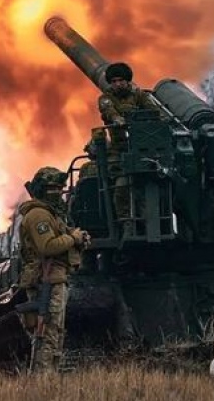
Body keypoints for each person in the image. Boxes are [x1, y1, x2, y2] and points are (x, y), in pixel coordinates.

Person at [15, 167, 89, 372]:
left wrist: (79, 239)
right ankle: (43, 379)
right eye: (52, 188)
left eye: (59, 188)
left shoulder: (51, 215)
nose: (57, 192)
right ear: (41, 190)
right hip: (45, 281)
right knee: (46, 334)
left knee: (54, 333)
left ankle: (49, 380)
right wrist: (73, 238)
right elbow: (47, 246)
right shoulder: (38, 215)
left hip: (55, 279)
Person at [96, 63, 159, 237]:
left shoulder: (140, 96)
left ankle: (150, 224)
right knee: (121, 187)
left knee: (148, 186)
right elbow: (108, 111)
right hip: (120, 152)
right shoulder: (106, 98)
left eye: (121, 80)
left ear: (127, 81)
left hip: (142, 151)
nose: (117, 84)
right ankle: (127, 224)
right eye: (114, 81)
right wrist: (118, 119)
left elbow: (155, 112)